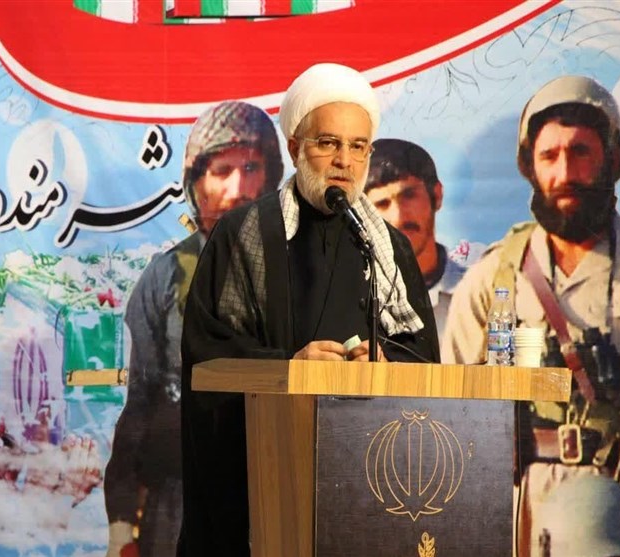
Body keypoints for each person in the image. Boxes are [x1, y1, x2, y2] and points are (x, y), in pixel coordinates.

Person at [177, 63, 440, 556]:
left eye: (358, 146)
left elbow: (424, 358)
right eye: (328, 143)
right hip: (266, 483)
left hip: (365, 478)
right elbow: (208, 358)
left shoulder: (387, 247)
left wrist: (385, 364)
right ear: (296, 147)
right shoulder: (244, 235)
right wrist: (289, 369)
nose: (344, 160)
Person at [441, 76, 620, 555]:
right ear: (530, 167)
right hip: (518, 511)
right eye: (549, 156)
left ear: (614, 159)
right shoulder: (492, 279)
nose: (565, 171)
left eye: (581, 152)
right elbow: (449, 419)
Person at [104, 101, 284, 557]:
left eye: (251, 168)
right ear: (195, 183)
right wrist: (122, 524)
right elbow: (141, 403)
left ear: (271, 177)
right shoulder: (165, 276)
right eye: (222, 171)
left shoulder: (299, 268)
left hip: (276, 493)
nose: (238, 189)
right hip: (178, 503)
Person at [365, 138, 472, 340]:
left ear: (437, 195)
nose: (399, 217)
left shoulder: (477, 295)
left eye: (408, 195)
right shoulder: (353, 300)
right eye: (382, 204)